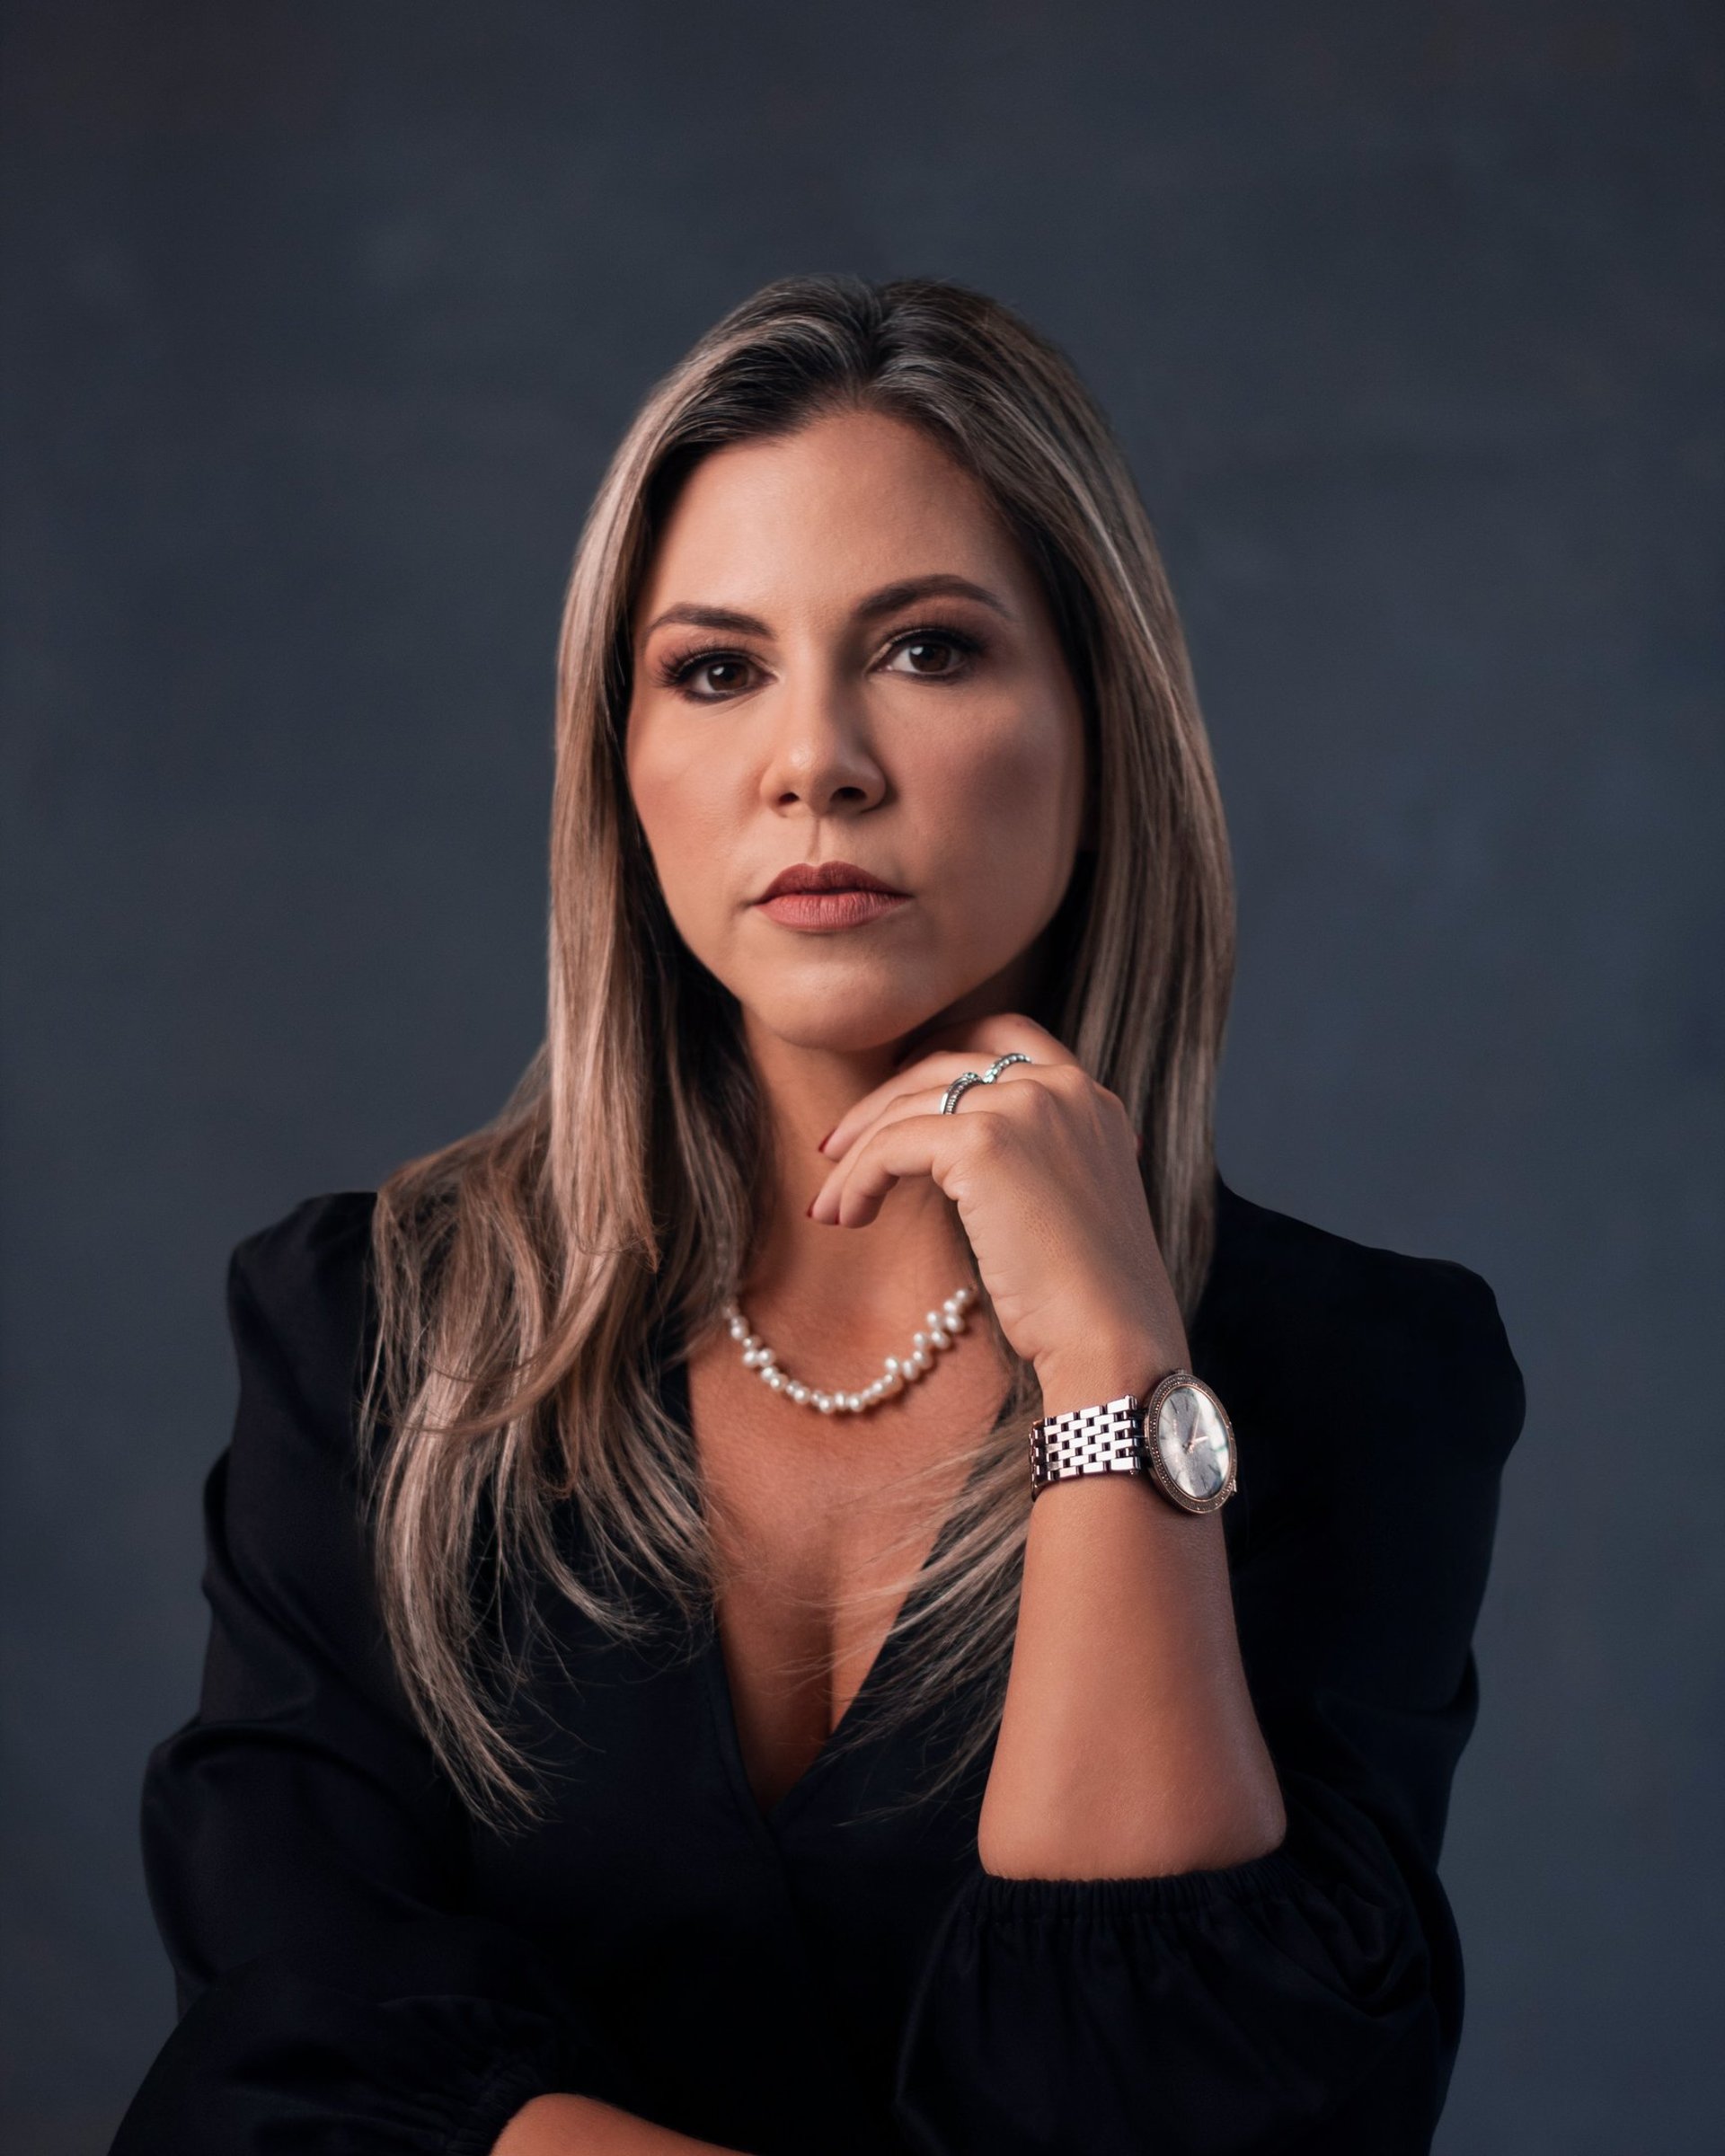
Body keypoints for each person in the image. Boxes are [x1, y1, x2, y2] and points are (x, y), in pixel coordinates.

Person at [111, 274, 1525, 2156]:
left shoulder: (1360, 1379)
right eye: (716, 668)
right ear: (619, 767)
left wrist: (1111, 1365)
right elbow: (292, 2054)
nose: (815, 762)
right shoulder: (374, 1333)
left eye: (930, 651)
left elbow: (1203, 2110)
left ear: (1099, 729)